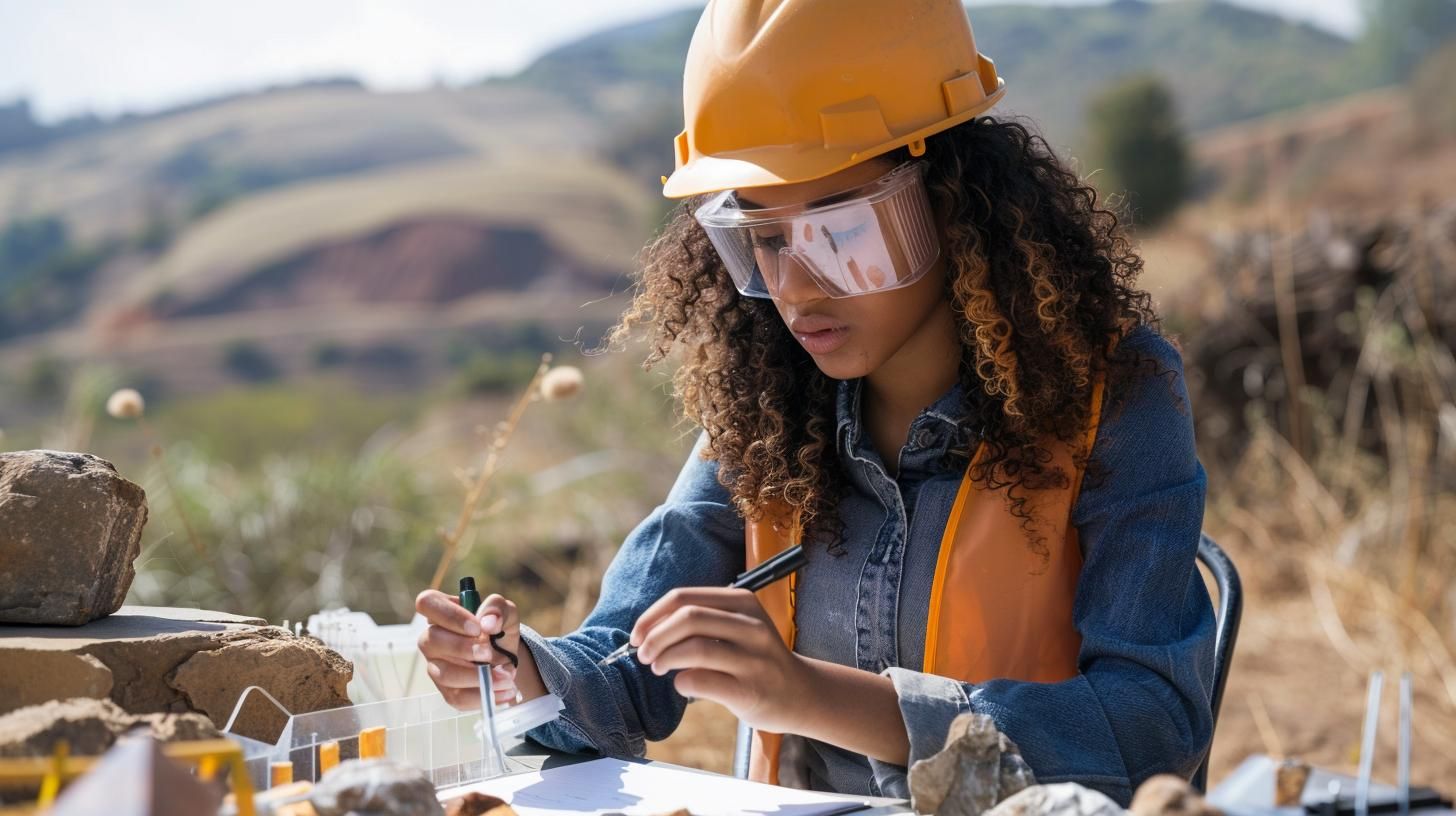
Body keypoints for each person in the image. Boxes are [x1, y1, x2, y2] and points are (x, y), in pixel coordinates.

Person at [414, 0, 1215, 804]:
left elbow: (1155, 725)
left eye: (840, 230)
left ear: (951, 202)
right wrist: (523, 671)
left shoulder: (1117, 394)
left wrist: (815, 697)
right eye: (764, 238)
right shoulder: (768, 408)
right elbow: (623, 673)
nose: (795, 288)